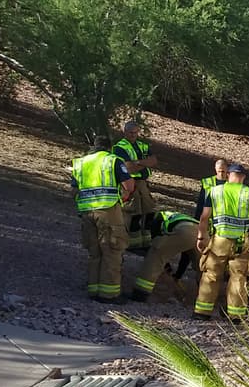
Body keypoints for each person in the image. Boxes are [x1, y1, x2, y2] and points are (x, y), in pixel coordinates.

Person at [193, 163, 249, 321]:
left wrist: (201, 237)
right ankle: (236, 316)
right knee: (238, 277)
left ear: (228, 175)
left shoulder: (215, 191)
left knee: (211, 275)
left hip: (219, 241)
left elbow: (204, 217)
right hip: (241, 244)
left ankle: (202, 312)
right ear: (243, 177)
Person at [70, 139, 135, 303]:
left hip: (86, 212)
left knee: (95, 251)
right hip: (108, 210)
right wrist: (124, 195)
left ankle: (93, 290)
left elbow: (74, 190)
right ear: (109, 147)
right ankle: (109, 294)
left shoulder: (80, 163)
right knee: (112, 250)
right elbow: (129, 186)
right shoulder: (112, 160)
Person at [131, 211, 199, 302]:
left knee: (155, 255)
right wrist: (178, 275)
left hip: (185, 232)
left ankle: (140, 294)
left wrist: (165, 264)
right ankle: (205, 298)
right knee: (203, 268)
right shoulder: (180, 218)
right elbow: (186, 255)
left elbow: (158, 244)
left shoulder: (158, 219)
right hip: (202, 234)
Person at [112, 120, 159, 248]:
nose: (133, 135)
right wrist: (145, 163)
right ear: (125, 132)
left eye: (135, 132)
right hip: (130, 183)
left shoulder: (142, 145)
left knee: (149, 210)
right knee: (134, 212)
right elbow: (128, 168)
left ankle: (146, 241)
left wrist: (137, 162)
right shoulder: (119, 147)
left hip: (143, 183)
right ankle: (133, 243)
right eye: (131, 132)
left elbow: (154, 161)